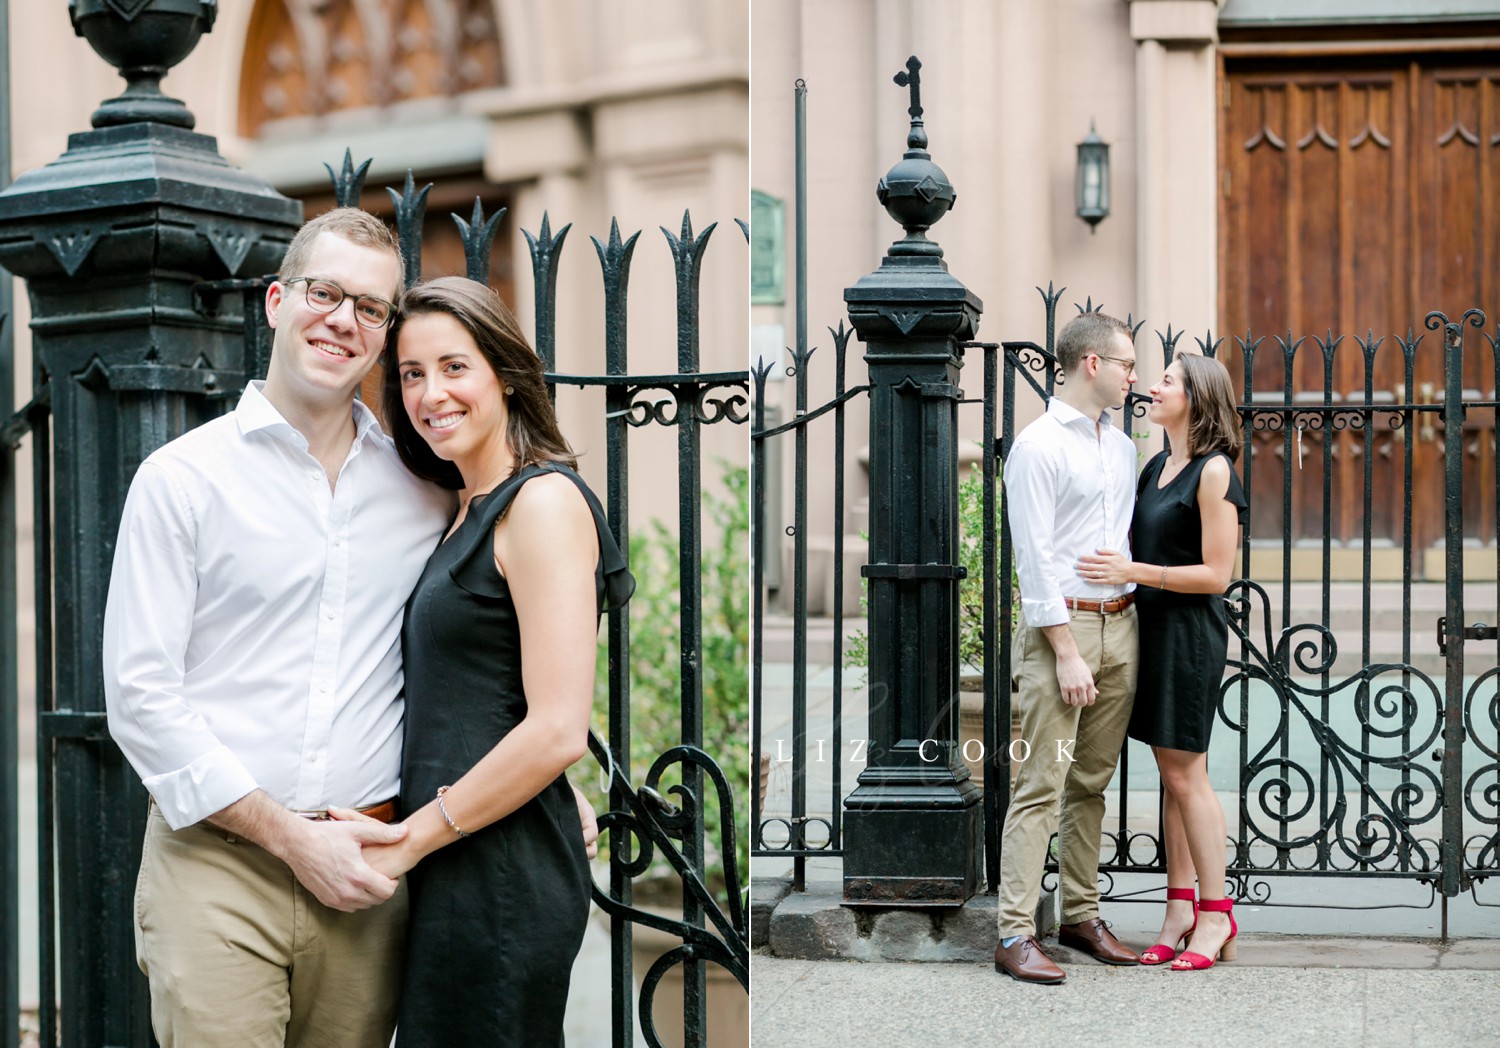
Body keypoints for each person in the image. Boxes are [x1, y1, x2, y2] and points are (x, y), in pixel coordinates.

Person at [102, 209, 597, 1046]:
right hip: (222, 865)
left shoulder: (430, 493)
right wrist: (294, 842)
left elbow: (475, 657)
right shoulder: (182, 480)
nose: (342, 319)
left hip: (372, 868)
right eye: (323, 292)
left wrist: (541, 768)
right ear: (275, 301)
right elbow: (141, 700)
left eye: (370, 308)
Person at [360, 276, 633, 1045]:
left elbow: (556, 730)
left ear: (505, 375)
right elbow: (491, 689)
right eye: (411, 374)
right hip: (456, 856)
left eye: (453, 366)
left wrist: (413, 836)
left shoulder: (539, 504)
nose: (429, 393)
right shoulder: (462, 507)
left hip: (498, 870)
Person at [1078, 352, 1246, 971]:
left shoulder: (1214, 472)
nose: (1152, 386)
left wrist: (1133, 571)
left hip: (1187, 636)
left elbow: (1217, 574)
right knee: (1171, 778)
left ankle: (1216, 911)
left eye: (1167, 380)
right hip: (1146, 631)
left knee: (1186, 777)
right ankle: (1179, 909)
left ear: (1197, 398)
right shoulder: (1155, 466)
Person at [994, 311, 1142, 985]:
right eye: (1127, 365)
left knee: (1090, 783)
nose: (1133, 376)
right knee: (1041, 783)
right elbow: (1035, 557)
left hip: (1122, 627)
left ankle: (1081, 915)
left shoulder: (1123, 448)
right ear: (1092, 364)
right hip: (1068, 633)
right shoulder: (1038, 445)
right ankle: (1015, 933)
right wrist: (1064, 649)